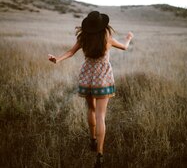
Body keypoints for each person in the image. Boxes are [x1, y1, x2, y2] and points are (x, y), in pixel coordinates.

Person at [48, 11, 133, 168]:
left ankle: (92, 139)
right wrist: (128, 39)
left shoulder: (83, 38)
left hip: (87, 78)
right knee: (101, 116)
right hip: (103, 79)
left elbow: (70, 52)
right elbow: (125, 48)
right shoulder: (108, 39)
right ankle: (99, 154)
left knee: (91, 109)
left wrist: (57, 59)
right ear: (103, 26)